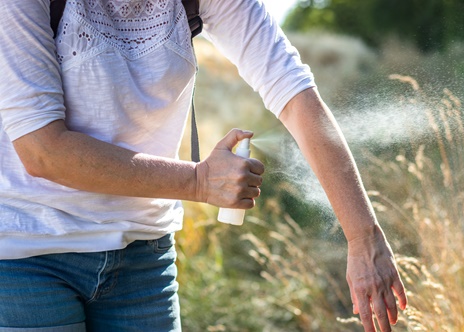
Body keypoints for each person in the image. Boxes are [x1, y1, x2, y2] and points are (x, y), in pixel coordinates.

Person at [0, 0, 407, 331]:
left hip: (142, 255)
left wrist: (362, 237)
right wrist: (198, 182)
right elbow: (42, 151)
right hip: (29, 254)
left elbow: (296, 95)